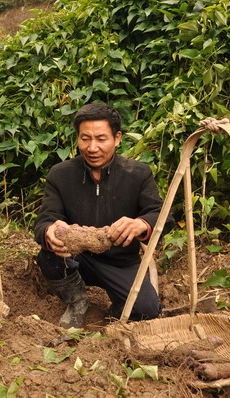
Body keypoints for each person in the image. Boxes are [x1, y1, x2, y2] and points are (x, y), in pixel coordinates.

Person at [34, 103, 174, 328]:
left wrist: (141, 224)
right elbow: (45, 219)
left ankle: (118, 307)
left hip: (121, 262)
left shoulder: (138, 174)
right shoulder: (61, 175)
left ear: (117, 138)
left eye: (101, 139)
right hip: (77, 258)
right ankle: (76, 300)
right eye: (85, 138)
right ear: (77, 138)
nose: (92, 147)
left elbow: (162, 215)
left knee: (146, 311)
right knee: (48, 256)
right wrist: (49, 231)